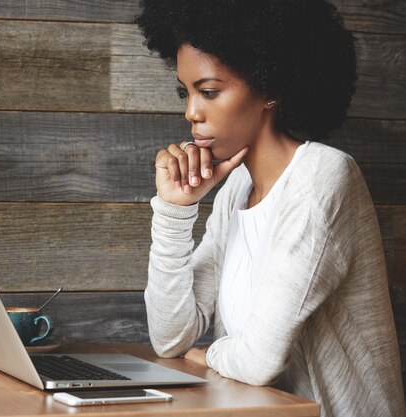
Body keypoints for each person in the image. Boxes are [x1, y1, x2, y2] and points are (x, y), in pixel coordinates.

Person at [135, 1, 405, 416]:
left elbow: (258, 361)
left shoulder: (323, 176)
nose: (191, 111)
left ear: (271, 87)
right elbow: (171, 339)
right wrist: (174, 211)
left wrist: (207, 357)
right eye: (185, 92)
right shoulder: (236, 190)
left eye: (208, 92)